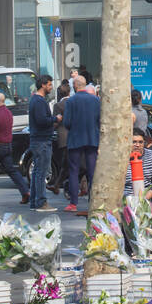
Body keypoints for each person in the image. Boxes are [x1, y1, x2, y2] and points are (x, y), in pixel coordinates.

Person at [62, 74, 101, 214]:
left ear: (75, 85)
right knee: (92, 172)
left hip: (75, 139)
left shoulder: (71, 101)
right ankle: (93, 202)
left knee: (74, 171)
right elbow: (100, 120)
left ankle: (73, 203)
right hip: (92, 139)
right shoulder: (96, 100)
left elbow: (66, 122)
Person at [26, 76, 59, 212]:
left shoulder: (35, 100)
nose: (51, 87)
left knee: (37, 172)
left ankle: (35, 200)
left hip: (38, 140)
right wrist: (55, 118)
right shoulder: (39, 101)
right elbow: (41, 120)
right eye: (50, 85)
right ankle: (40, 201)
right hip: (42, 140)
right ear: (43, 85)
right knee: (41, 172)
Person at [125, 128, 152, 198]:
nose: (137, 145)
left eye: (140, 142)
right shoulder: (122, 158)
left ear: (144, 142)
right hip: (126, 195)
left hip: (148, 195)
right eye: (134, 142)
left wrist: (145, 197)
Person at [47, 79, 69, 197]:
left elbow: (55, 123)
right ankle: (58, 185)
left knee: (65, 164)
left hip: (63, 137)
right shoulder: (73, 102)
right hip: (74, 137)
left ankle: (60, 186)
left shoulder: (58, 105)